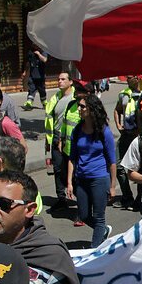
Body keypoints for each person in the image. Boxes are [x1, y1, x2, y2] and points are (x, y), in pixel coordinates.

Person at [67, 93, 116, 248]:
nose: (79, 109)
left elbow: (112, 161)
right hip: (81, 179)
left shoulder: (104, 131)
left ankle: (94, 250)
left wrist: (113, 186)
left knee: (98, 217)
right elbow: (72, 158)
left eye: (82, 106)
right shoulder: (77, 130)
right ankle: (102, 231)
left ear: (91, 109)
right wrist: (69, 182)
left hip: (99, 178)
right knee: (83, 214)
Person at [44, 73, 79, 212]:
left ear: (70, 82)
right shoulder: (55, 98)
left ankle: (79, 198)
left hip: (72, 138)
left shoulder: (76, 97)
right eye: (58, 79)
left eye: (63, 79)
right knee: (58, 169)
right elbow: (49, 119)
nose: (59, 81)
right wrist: (48, 140)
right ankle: (61, 198)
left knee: (73, 169)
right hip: (56, 137)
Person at [113, 75, 142, 208]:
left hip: (139, 136)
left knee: (141, 168)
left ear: (138, 78)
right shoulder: (123, 94)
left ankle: (140, 199)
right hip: (126, 135)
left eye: (132, 77)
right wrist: (118, 125)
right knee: (118, 165)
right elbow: (117, 109)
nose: (129, 79)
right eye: (128, 77)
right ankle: (127, 196)